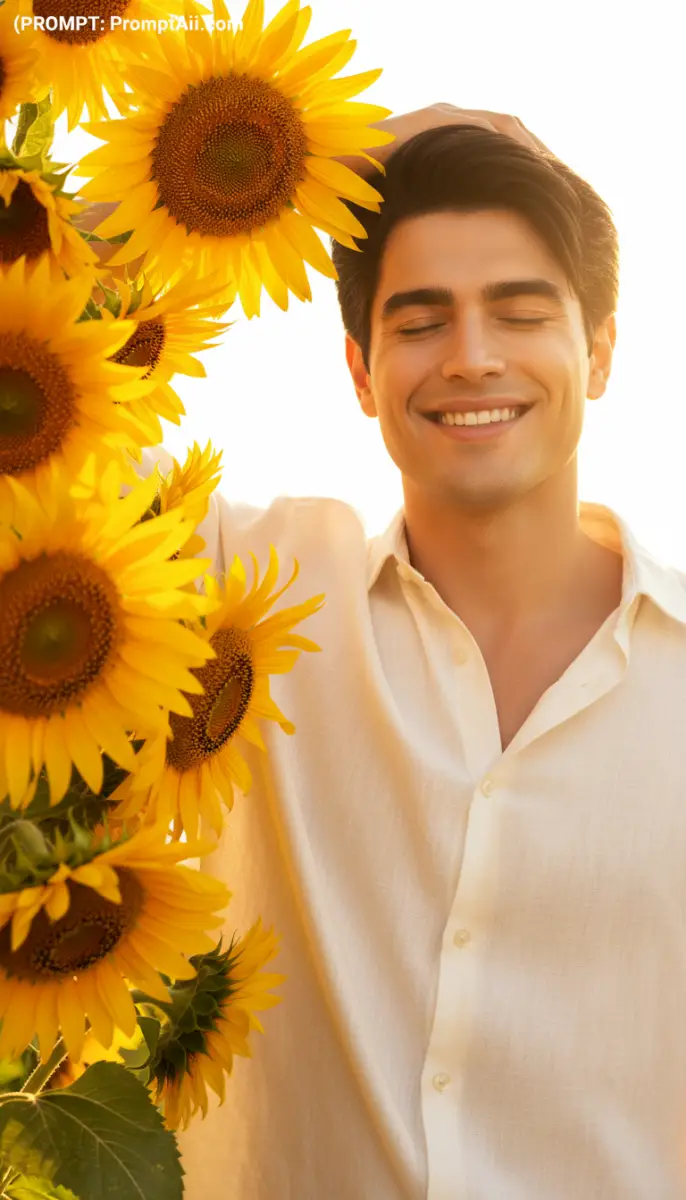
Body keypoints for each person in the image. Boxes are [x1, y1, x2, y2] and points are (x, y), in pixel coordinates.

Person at [99, 106, 686, 1198]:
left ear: (598, 352)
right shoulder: (250, 588)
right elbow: (27, 369)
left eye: (517, 314)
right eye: (419, 323)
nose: (470, 359)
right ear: (360, 373)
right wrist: (300, 147)